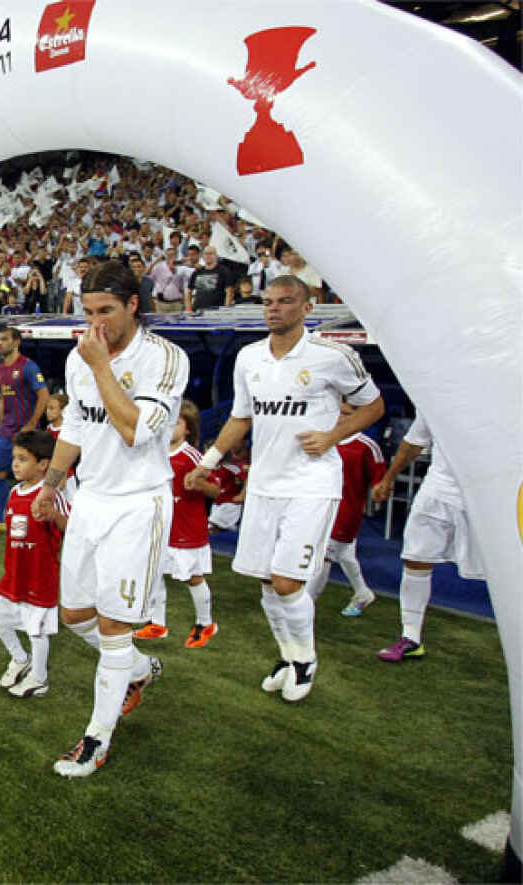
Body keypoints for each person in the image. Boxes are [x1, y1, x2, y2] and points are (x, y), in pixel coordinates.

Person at [187, 275, 384, 702]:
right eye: (269, 302)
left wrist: (334, 435)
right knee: (264, 581)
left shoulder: (334, 355)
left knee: (286, 582)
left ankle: (306, 660)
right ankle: (287, 656)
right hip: (263, 484)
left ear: (307, 308)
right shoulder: (249, 357)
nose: (274, 308)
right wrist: (207, 462)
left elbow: (374, 406)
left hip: (311, 485)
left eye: (286, 301)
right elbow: (241, 418)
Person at [32, 259, 189, 777]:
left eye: (106, 311)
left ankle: (95, 740)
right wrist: (50, 484)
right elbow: (76, 425)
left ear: (133, 306)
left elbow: (136, 431)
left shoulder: (164, 358)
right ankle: (141, 672)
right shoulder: (82, 358)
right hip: (91, 498)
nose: (95, 324)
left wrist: (101, 365)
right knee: (75, 615)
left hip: (138, 503)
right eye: (88, 311)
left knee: (114, 625)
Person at [371, 415, 483, 662]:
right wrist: (388, 478)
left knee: (505, 572)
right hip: (438, 490)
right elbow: (413, 442)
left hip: (485, 495)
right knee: (415, 558)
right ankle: (410, 637)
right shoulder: (436, 394)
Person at [0, 430, 70, 699]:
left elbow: (72, 527)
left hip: (39, 573)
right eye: (14, 458)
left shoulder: (51, 495)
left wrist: (54, 515)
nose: (15, 464)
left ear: (43, 465)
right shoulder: (13, 492)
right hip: (14, 572)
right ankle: (21, 659)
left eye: (23, 459)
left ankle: (39, 678)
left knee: (36, 630)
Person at [135, 400, 220, 648]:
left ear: (188, 429)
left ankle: (205, 624)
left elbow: (216, 489)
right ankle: (157, 623)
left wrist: (200, 484)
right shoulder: (156, 453)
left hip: (187, 529)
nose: (170, 427)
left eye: (177, 422)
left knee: (192, 577)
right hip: (160, 528)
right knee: (155, 574)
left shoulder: (193, 456)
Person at [303, 404, 386, 616]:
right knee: (344, 555)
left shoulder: (365, 446)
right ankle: (363, 593)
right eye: (338, 412)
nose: (340, 417)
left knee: (326, 555)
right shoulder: (325, 440)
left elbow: (380, 477)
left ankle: (307, 603)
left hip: (347, 510)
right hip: (321, 506)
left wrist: (380, 489)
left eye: (346, 413)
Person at [0, 327, 49, 533]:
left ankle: (37, 516)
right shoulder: (0, 368)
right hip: (6, 432)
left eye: (5, 339)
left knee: (31, 476)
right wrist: (1, 425)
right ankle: (1, 519)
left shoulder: (28, 366)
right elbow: (3, 400)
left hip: (27, 434)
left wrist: (31, 423)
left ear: (17, 342)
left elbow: (44, 396)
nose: (0, 343)